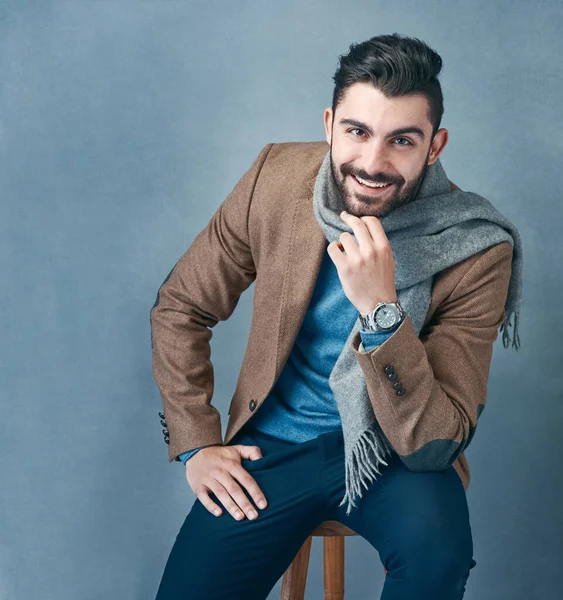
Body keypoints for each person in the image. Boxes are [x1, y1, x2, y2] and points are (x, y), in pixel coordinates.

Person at [150, 33, 522, 600]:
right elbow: (182, 306)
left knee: (437, 560)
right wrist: (198, 443)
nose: (373, 163)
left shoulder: (475, 247)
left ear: (435, 145)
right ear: (329, 125)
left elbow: (436, 439)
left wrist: (380, 310)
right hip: (271, 445)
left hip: (396, 453)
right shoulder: (273, 181)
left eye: (402, 140)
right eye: (357, 132)